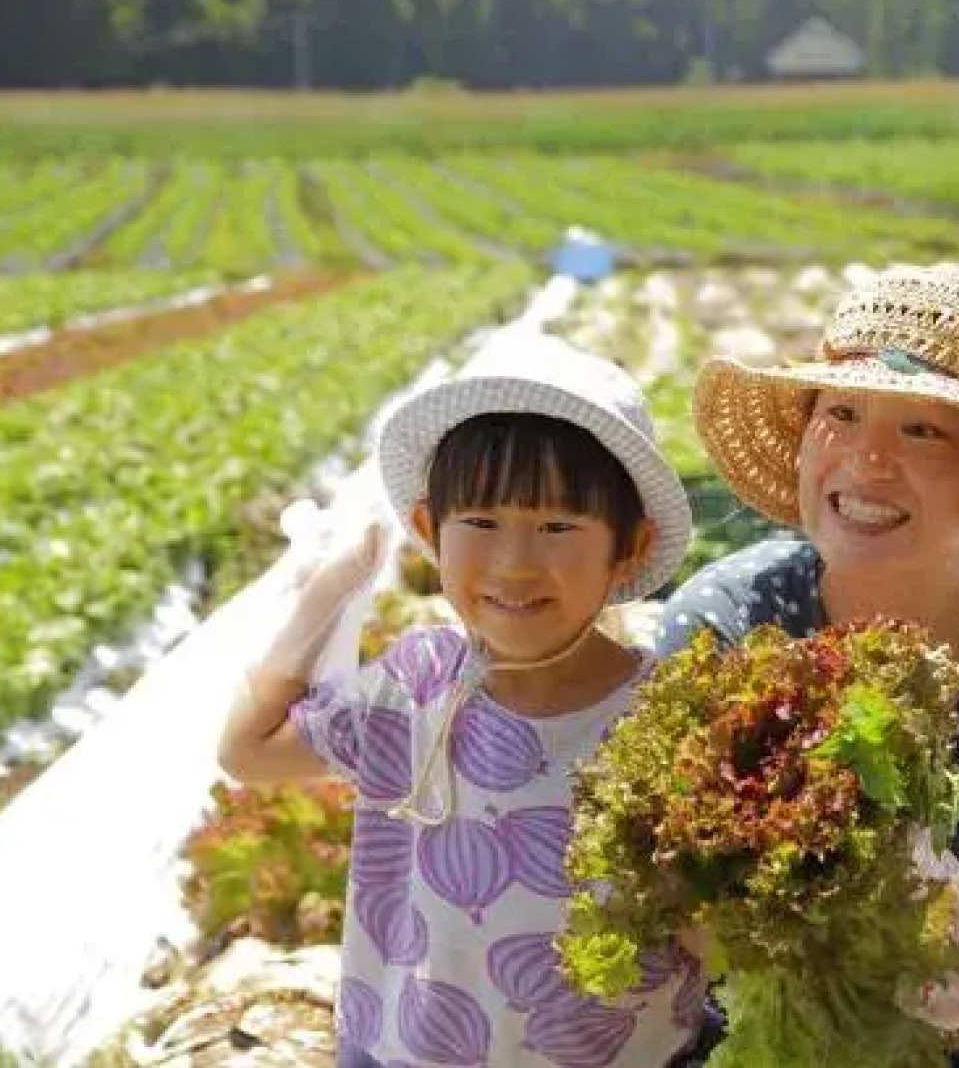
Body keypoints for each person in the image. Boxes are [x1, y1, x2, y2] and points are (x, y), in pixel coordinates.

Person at [658, 263, 959, 1066]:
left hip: (933, 1037)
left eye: (922, 431)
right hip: (739, 1028)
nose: (868, 461)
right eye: (841, 413)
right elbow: (692, 916)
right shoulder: (726, 621)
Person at [217, 332, 703, 1067]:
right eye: (479, 523)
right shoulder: (413, 687)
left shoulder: (665, 721)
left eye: (557, 527)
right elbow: (245, 753)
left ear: (629, 547)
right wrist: (320, 601)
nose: (513, 563)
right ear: (427, 531)